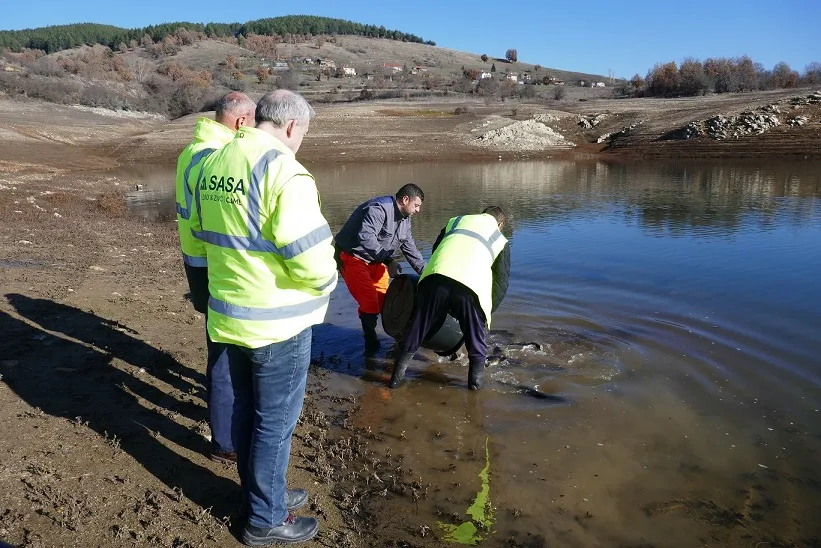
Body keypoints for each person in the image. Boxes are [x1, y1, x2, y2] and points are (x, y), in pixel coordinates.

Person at [189, 90, 336, 546]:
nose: (301, 143)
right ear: (291, 126)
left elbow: (197, 239)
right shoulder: (283, 171)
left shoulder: (214, 161)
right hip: (278, 324)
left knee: (249, 416)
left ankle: (263, 495)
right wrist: (328, 285)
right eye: (304, 134)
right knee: (274, 423)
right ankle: (264, 519)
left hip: (228, 315)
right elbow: (312, 263)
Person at [174, 91, 255, 464]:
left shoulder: (194, 148)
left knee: (218, 343)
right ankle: (225, 441)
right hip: (213, 263)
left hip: (198, 260)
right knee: (224, 352)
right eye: (253, 122)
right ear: (240, 122)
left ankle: (223, 422)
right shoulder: (216, 157)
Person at [389, 206, 511, 390]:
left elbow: (438, 248)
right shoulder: (499, 239)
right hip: (470, 288)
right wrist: (484, 313)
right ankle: (475, 389)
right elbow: (501, 283)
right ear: (499, 224)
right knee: (476, 341)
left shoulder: (456, 221)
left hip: (435, 278)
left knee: (416, 329)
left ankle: (395, 381)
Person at [334, 184, 427, 353]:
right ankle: (370, 341)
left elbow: (410, 247)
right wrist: (389, 260)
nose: (418, 210)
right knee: (370, 303)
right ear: (405, 199)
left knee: (387, 302)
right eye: (417, 205)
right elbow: (366, 238)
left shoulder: (406, 219)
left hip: (377, 261)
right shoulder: (379, 209)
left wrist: (427, 274)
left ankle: (398, 339)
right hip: (352, 258)